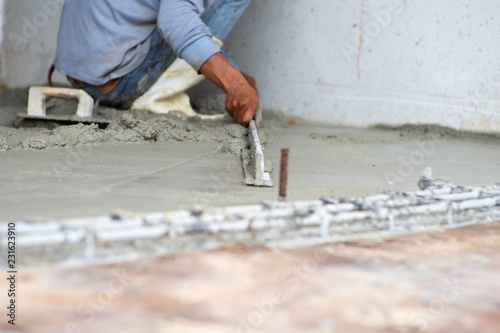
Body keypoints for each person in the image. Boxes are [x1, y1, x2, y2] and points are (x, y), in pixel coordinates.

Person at [54, 0, 258, 127]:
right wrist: (236, 85)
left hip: (78, 77)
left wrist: (236, 72)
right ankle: (150, 95)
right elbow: (176, 22)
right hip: (120, 82)